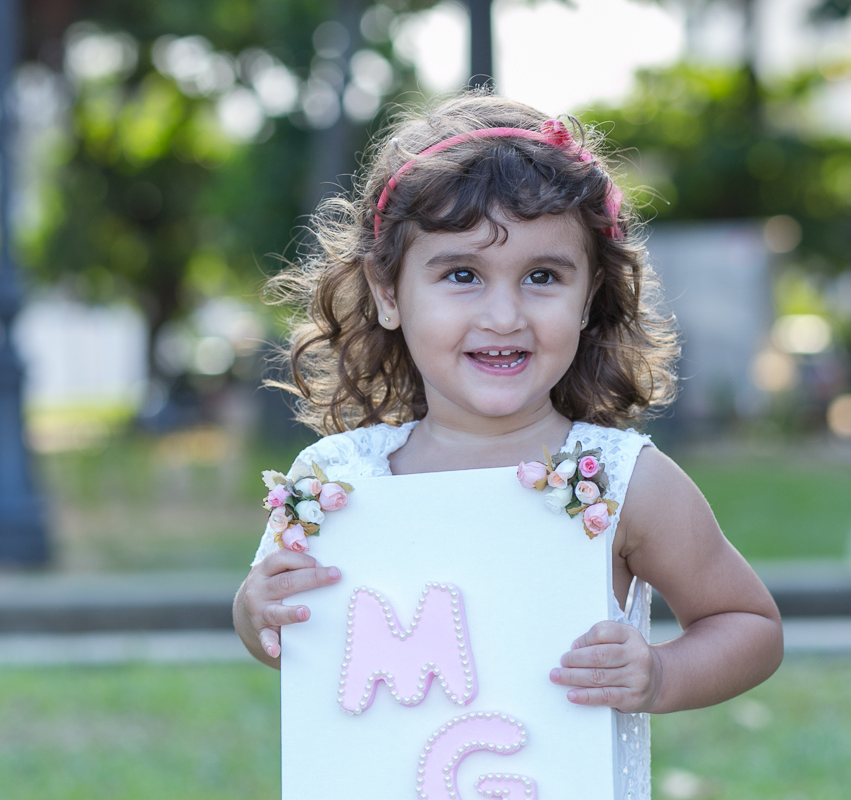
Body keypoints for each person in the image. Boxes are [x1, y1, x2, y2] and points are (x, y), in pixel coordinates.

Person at [232, 93, 783, 799]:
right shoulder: (334, 484)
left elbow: (749, 625)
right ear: (388, 291)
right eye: (462, 275)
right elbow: (295, 647)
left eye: (543, 277)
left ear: (588, 298)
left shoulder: (622, 482)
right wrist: (257, 610)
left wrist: (660, 672)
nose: (504, 314)